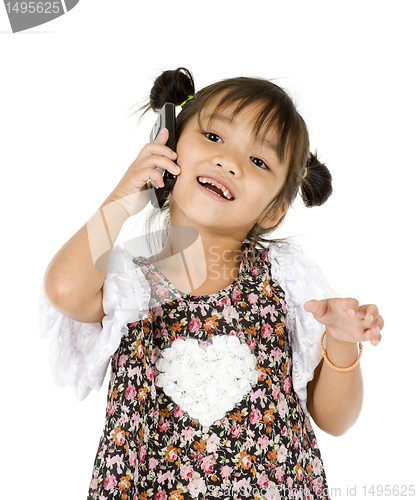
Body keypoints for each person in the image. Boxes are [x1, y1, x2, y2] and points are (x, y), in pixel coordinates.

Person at [39, 67, 384, 499]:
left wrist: (340, 340)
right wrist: (124, 195)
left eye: (258, 161)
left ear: (274, 210)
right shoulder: (126, 280)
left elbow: (335, 420)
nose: (229, 162)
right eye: (214, 138)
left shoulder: (286, 278)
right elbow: (65, 291)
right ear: (169, 143)